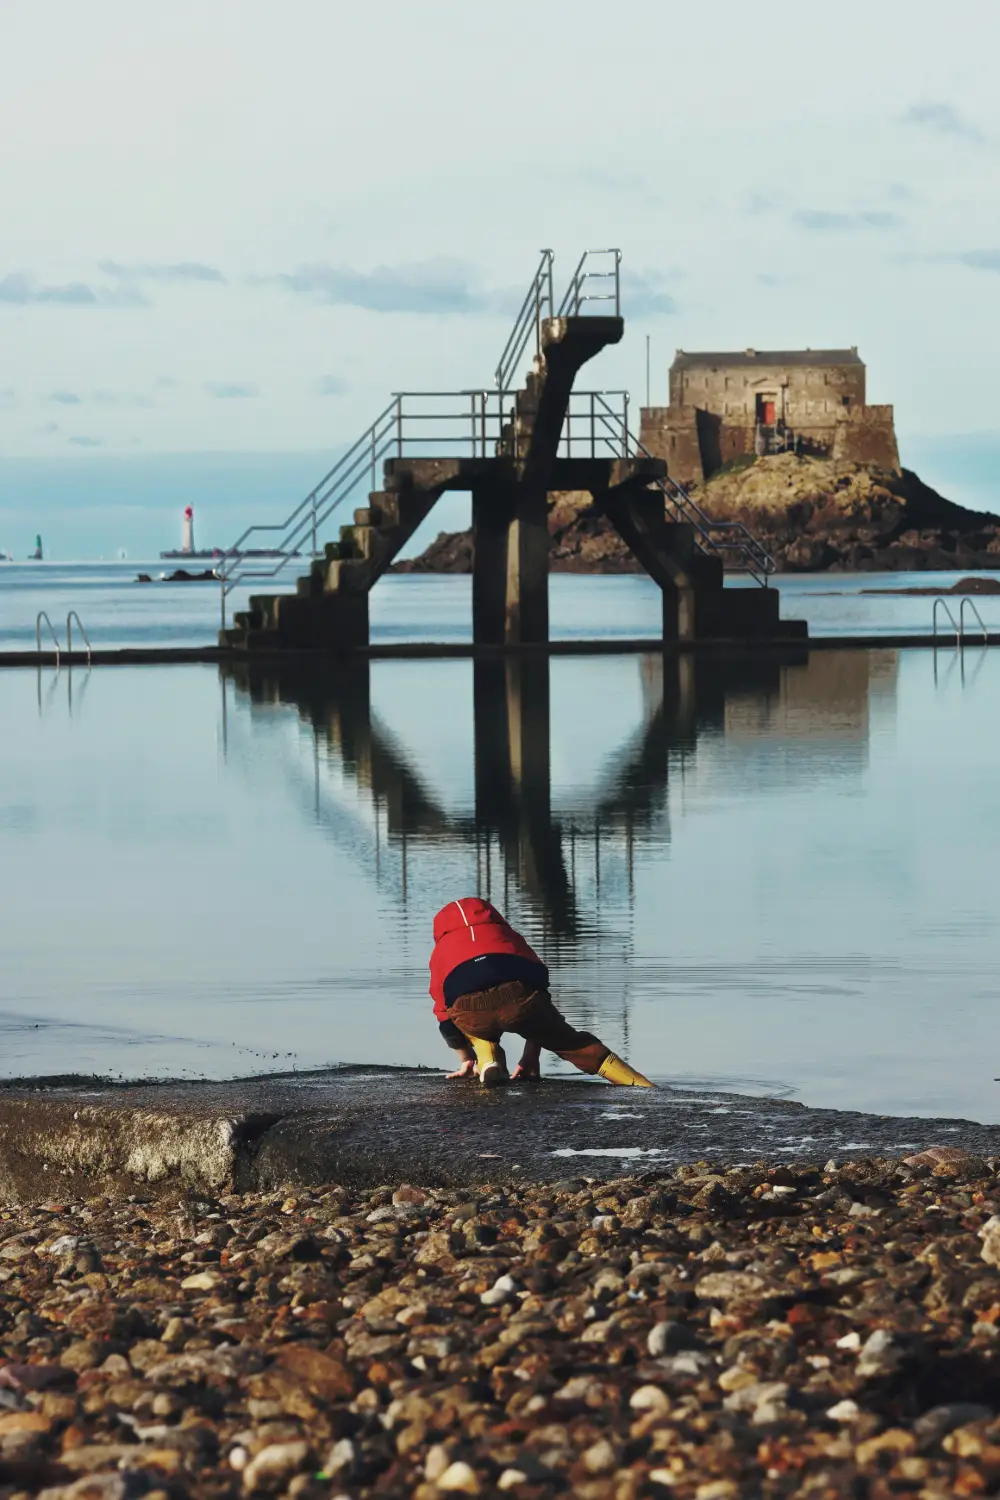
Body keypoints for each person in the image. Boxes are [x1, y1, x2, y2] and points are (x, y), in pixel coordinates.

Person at [429, 897, 653, 1088]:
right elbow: (539, 985)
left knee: (465, 1016)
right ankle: (643, 1087)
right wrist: (531, 1055)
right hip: (520, 1000)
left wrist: (466, 1057)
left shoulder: (441, 950)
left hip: (470, 1009)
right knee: (571, 1042)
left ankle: (487, 1060)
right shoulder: (508, 935)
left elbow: (442, 1011)